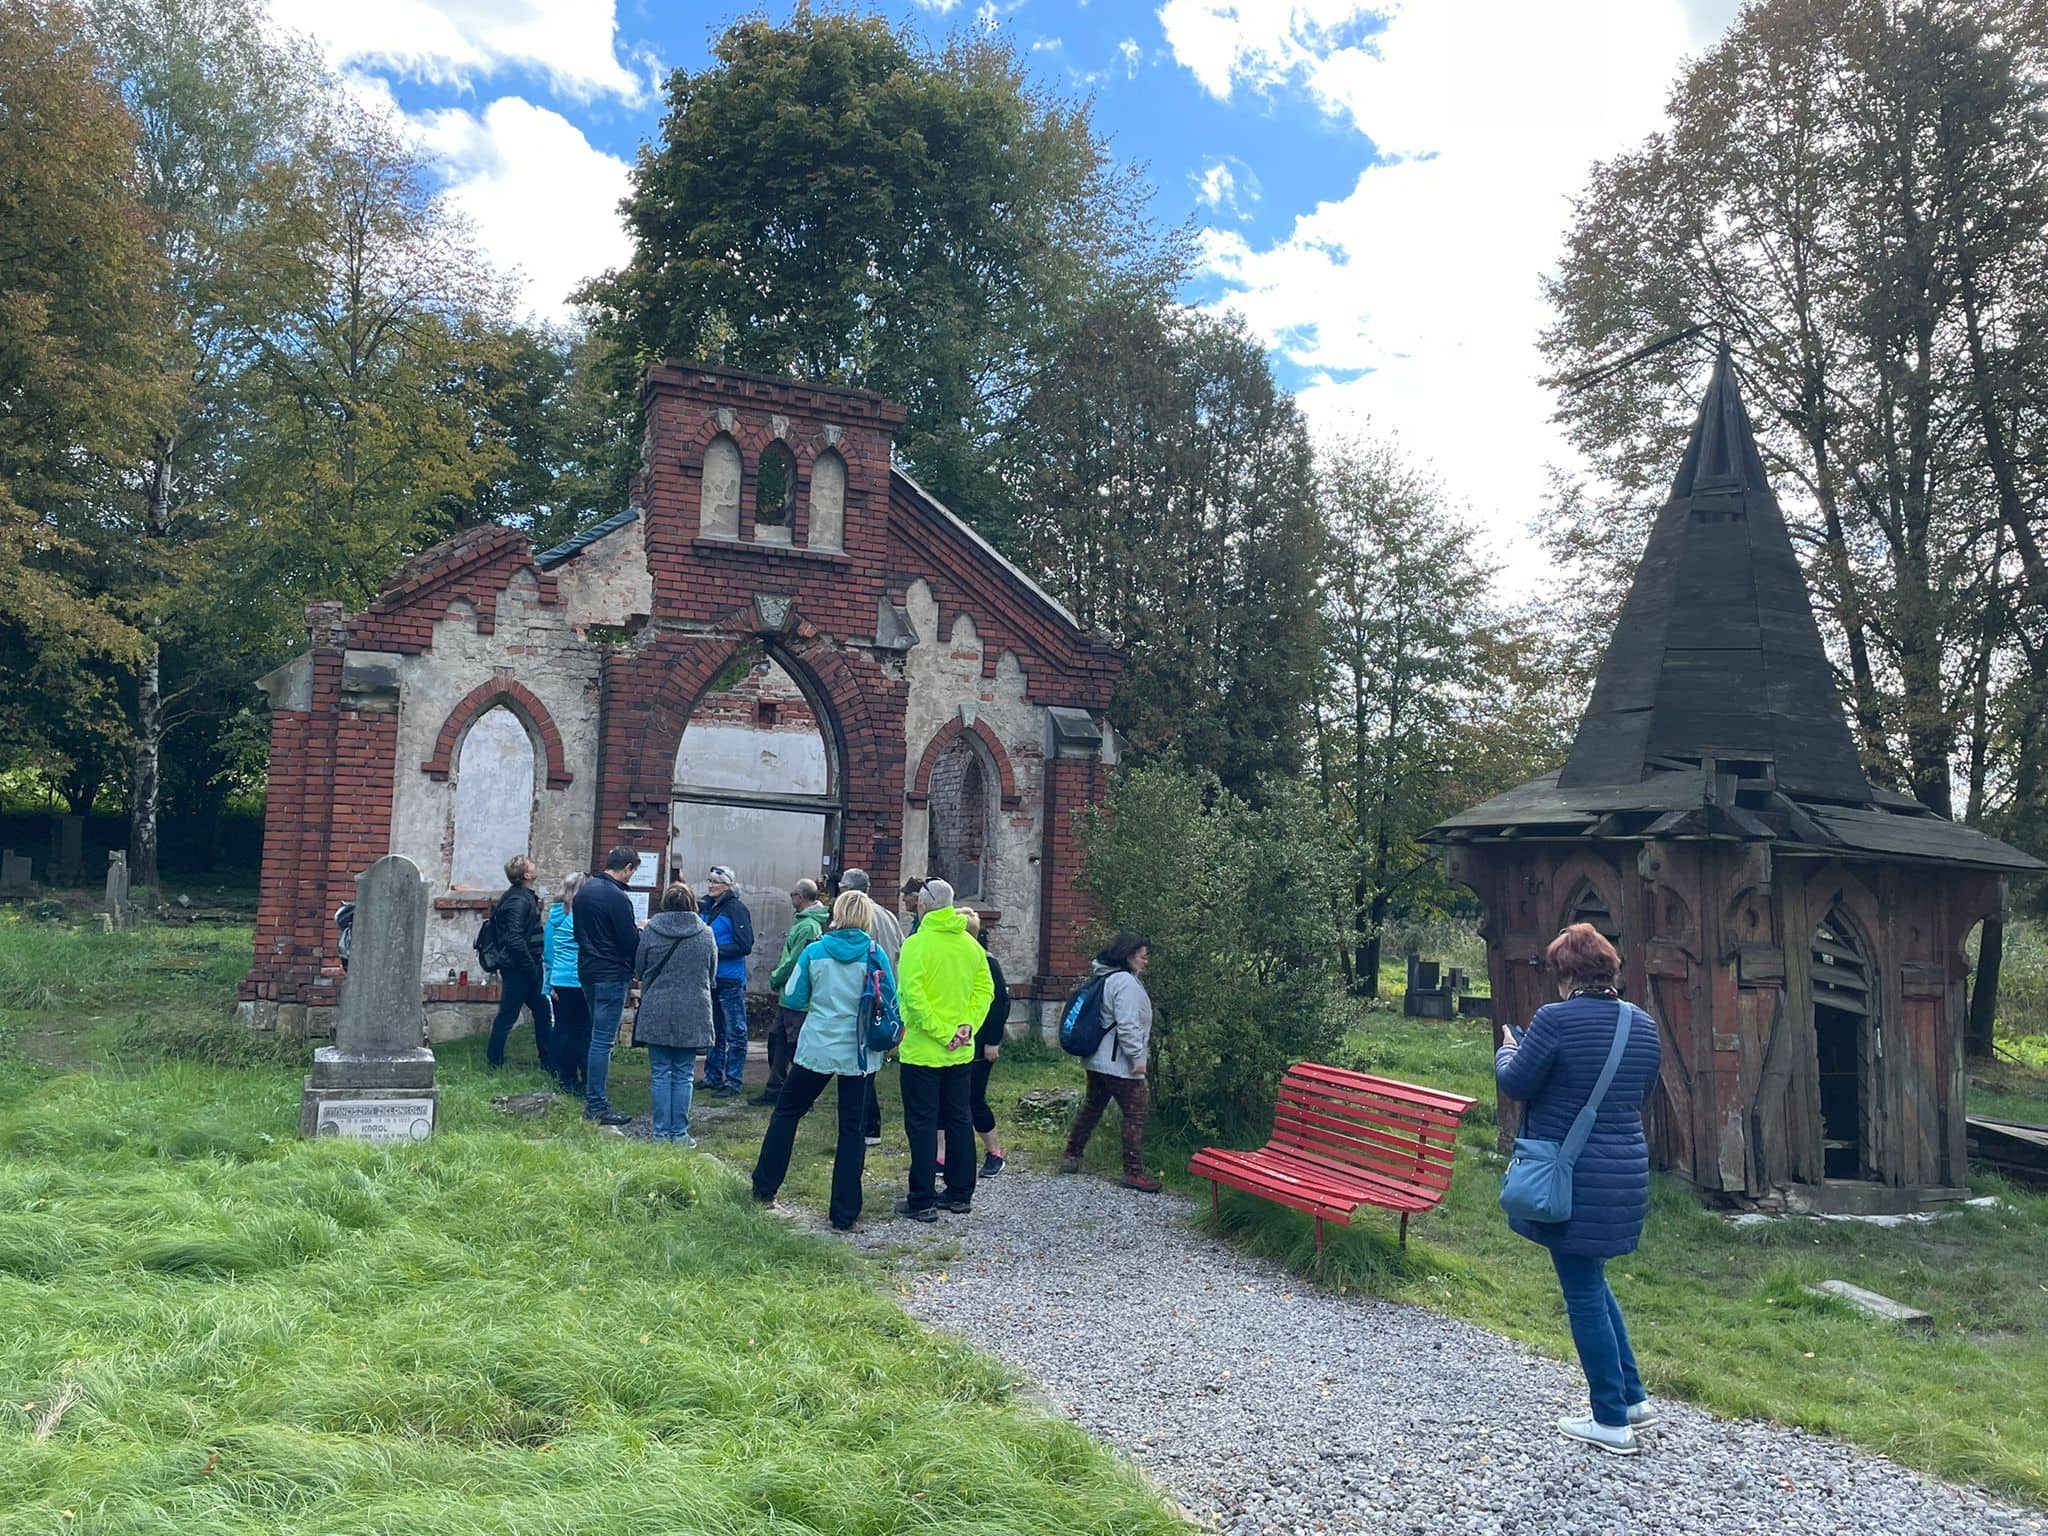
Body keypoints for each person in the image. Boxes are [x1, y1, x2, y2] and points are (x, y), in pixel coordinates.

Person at [1495, 921, 1664, 1456]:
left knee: (1583, 1293)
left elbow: (1517, 1083)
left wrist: (1507, 1050)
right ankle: (1632, 1397)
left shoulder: (1554, 1019)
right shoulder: (1643, 1025)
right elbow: (1643, 1091)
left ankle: (1610, 1420)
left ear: (1566, 973)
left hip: (1572, 1177)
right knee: (1592, 1277)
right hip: (1624, 1172)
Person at [752, 889, 899, 1230]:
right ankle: (844, 1214)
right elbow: (892, 998)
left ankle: (764, 1188)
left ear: (836, 914)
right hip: (859, 1052)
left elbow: (793, 994)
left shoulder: (815, 951)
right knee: (853, 1130)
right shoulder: (875, 954)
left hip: (817, 1046)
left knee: (787, 1114)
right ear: (866, 918)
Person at [893, 879, 993, 1222]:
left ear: (921, 906)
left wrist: (941, 1032)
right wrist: (966, 1027)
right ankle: (960, 1193)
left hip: (924, 1050)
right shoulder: (970, 944)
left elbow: (911, 997)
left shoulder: (916, 945)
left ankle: (921, 1198)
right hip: (960, 1051)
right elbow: (985, 991)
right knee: (959, 1119)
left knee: (922, 1124)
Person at [1059, 933, 1161, 1192]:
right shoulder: (1125, 982)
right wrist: (1138, 1058)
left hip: (1098, 1059)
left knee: (1093, 1106)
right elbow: (1127, 1025)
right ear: (1128, 956)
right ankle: (1133, 1171)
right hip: (1120, 1063)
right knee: (1135, 1114)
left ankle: (1072, 1156)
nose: (1145, 961)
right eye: (1142, 956)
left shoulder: (1105, 976)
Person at [633, 881, 718, 1146]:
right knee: (684, 1074)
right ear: (693, 903)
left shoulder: (651, 932)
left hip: (656, 1006)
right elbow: (711, 972)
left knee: (660, 1072)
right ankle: (679, 1134)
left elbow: (639, 969)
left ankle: (659, 1134)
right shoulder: (705, 934)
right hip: (693, 1008)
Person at [572, 846, 641, 1126]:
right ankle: (597, 1105)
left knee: (593, 1036)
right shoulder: (618, 897)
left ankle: (592, 1095)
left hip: (588, 969)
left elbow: (579, 933)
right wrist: (640, 932)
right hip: (612, 973)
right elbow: (628, 942)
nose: (632, 876)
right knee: (603, 1041)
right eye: (632, 871)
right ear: (626, 868)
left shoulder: (584, 892)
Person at [838, 868, 900, 1146]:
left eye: (841, 887)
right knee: (870, 1056)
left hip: (864, 992)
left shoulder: (857, 917)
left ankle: (867, 1124)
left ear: (850, 890)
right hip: (885, 992)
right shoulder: (888, 915)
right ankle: (867, 1124)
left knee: (859, 1061)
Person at [758, 878, 829, 1104]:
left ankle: (798, 1092)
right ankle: (775, 1088)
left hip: (797, 996)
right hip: (789, 996)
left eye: (792, 895)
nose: (791, 900)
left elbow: (794, 960)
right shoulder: (805, 923)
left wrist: (776, 977)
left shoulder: (808, 926)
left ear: (800, 896)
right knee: (776, 1039)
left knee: (794, 1045)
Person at [486, 854, 553, 1072]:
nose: (535, 865)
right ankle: (494, 1062)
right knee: (508, 1014)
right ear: (526, 874)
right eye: (531, 864)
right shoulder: (518, 900)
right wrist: (530, 967)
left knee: (541, 1011)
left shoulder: (522, 896)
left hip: (526, 965)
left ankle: (548, 1059)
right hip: (519, 967)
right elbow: (513, 938)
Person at [698, 866, 755, 1098]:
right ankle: (713, 1076)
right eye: (710, 881)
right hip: (711, 978)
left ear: (729, 886)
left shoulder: (736, 909)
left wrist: (713, 950)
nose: (712, 886)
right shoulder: (707, 906)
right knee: (715, 1031)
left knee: (736, 1032)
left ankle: (733, 1080)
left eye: (717, 882)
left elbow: (745, 945)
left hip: (730, 979)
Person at [960, 909, 1008, 1177]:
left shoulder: (988, 963)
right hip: (958, 1042)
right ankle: (942, 1156)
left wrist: (993, 1041)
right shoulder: (956, 961)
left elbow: (999, 1004)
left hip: (980, 1044)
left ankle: (994, 1153)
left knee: (975, 1098)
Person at [541, 872, 587, 1094]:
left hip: (558, 978)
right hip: (577, 979)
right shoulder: (579, 916)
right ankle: (575, 1075)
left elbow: (548, 951)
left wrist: (550, 981)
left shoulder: (555, 914)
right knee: (580, 1030)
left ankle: (559, 1073)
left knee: (561, 1027)